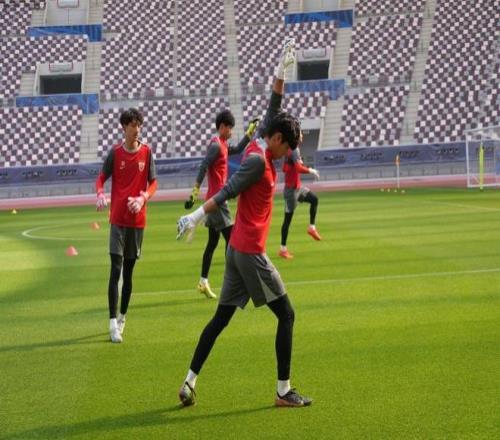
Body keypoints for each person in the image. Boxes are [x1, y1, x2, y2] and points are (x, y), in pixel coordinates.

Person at [176, 39, 312, 407]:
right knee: (287, 314)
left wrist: (281, 71)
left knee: (220, 319)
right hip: (251, 251)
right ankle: (283, 391)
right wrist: (196, 215)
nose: (289, 154)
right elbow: (227, 191)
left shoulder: (261, 142)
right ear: (277, 139)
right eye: (289, 147)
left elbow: (274, 105)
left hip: (236, 249)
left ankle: (189, 382)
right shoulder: (257, 162)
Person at [95, 108, 157, 343]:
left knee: (128, 273)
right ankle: (112, 322)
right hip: (118, 220)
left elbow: (154, 183)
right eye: (132, 125)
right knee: (115, 270)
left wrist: (143, 198)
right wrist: (100, 193)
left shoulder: (147, 152)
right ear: (124, 127)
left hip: (137, 222)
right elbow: (101, 178)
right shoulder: (115, 153)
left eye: (139, 124)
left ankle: (122, 316)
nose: (136, 129)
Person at [185, 111, 259, 299]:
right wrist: (195, 190)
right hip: (218, 201)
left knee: (212, 243)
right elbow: (204, 165)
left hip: (216, 199)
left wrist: (250, 132)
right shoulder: (216, 146)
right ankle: (233, 281)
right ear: (222, 127)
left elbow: (239, 149)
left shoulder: (223, 145)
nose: (231, 132)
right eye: (230, 128)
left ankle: (203, 281)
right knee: (232, 239)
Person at [279, 137, 321, 259]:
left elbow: (284, 168)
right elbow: (298, 168)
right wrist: (311, 170)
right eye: (300, 134)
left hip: (297, 188)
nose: (302, 136)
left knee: (314, 199)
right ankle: (283, 249)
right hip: (291, 192)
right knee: (287, 220)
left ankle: (312, 228)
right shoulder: (294, 150)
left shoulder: (289, 149)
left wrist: (294, 164)